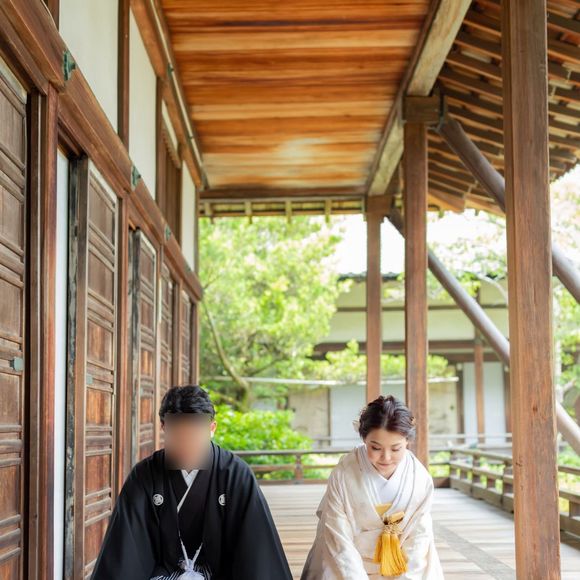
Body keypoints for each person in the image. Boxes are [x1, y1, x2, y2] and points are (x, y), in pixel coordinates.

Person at [91, 385, 292, 580]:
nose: (187, 445)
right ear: (164, 427)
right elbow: (126, 552)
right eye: (178, 435)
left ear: (211, 428)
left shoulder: (235, 474)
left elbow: (257, 551)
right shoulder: (144, 476)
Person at [301, 395, 444, 579]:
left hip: (404, 564)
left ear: (407, 440)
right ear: (364, 438)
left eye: (396, 448)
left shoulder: (419, 478)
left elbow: (419, 538)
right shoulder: (344, 474)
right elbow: (338, 538)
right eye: (376, 448)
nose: (386, 457)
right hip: (349, 564)